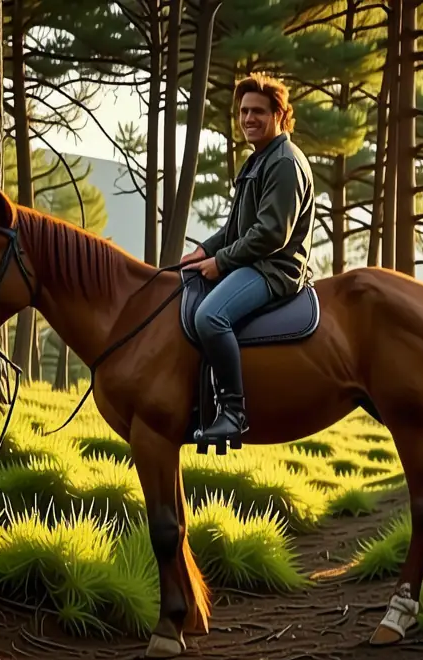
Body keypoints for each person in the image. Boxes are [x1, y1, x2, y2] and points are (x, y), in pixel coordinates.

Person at [181, 73, 316, 443]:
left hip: (275, 269)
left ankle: (233, 413)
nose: (248, 119)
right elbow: (235, 229)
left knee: (210, 316)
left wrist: (221, 262)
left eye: (257, 111)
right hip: (252, 260)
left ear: (279, 114)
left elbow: (271, 234)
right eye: (243, 112)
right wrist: (204, 250)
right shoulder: (256, 160)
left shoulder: (284, 162)